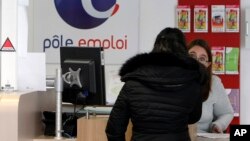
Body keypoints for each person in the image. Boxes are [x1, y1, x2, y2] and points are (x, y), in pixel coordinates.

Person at [105, 27, 208, 141]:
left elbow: (114, 128)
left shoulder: (133, 82)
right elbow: (193, 118)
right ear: (183, 50)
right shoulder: (192, 81)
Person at [187, 39, 234, 133]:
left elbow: (226, 113)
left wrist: (218, 125)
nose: (197, 62)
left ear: (208, 64)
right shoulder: (173, 80)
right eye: (192, 56)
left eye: (202, 59)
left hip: (204, 137)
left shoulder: (214, 82)